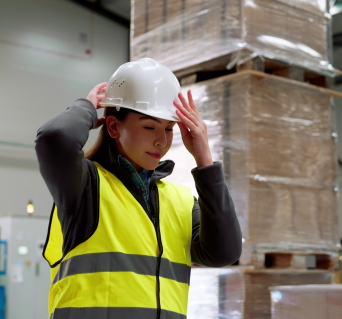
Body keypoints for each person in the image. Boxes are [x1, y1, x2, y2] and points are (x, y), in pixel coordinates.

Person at [36, 58, 241, 319]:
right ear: (113, 126)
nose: (162, 140)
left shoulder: (179, 200)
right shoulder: (86, 187)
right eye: (149, 126)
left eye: (169, 128)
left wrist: (205, 160)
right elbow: (55, 138)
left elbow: (224, 252)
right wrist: (87, 108)